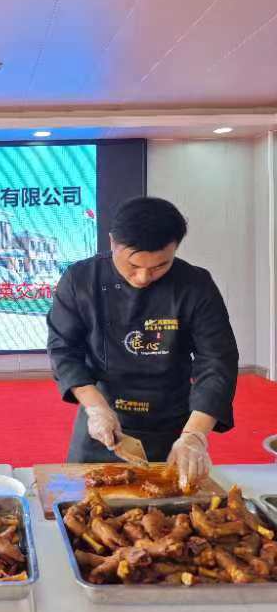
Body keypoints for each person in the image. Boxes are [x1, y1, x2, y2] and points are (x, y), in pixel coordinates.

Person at [46, 196, 238, 490]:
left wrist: (195, 436)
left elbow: (217, 361)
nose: (143, 277)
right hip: (103, 419)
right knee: (84, 503)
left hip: (172, 423)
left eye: (160, 266)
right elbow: (64, 351)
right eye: (133, 265)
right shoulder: (80, 279)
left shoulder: (195, 285)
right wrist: (96, 408)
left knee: (171, 506)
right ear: (113, 242)